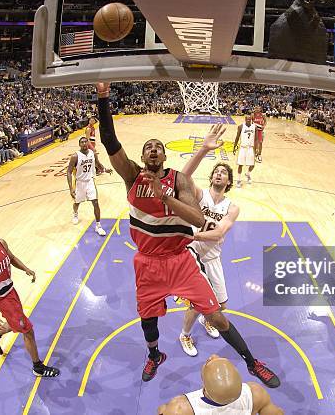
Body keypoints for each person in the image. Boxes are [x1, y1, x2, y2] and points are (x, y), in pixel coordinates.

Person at [96, 82, 279, 388]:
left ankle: (251, 361)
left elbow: (197, 217)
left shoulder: (178, 179)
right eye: (148, 147)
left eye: (158, 147)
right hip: (147, 262)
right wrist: (103, 99)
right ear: (142, 156)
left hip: (180, 261)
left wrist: (166, 198)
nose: (153, 149)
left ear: (164, 156)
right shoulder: (131, 176)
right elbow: (109, 140)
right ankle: (154, 355)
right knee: (148, 318)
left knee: (217, 316)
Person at [176, 133, 240, 357]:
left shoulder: (232, 207)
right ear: (211, 177)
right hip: (193, 257)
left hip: (212, 258)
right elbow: (183, 177)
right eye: (216, 171)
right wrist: (203, 149)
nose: (219, 174)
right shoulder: (199, 196)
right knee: (196, 303)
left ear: (229, 181)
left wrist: (196, 236)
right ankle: (184, 334)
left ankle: (207, 318)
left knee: (222, 305)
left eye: (223, 172)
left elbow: (220, 232)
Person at [0, 223, 60, 378]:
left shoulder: (1, 243)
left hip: (11, 291)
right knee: (28, 330)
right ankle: (37, 367)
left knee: (16, 323)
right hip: (2, 299)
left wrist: (25, 268)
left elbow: (11, 258)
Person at [157, 355, 284, 415]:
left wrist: (163, 410)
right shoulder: (256, 393)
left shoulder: (180, 408)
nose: (213, 356)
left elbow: (163, 411)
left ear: (205, 383)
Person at [66, 135, 111, 235]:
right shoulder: (75, 156)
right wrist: (70, 189)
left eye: (85, 142)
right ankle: (75, 214)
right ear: (79, 145)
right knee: (77, 203)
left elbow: (98, 164)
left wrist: (104, 169)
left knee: (95, 202)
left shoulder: (92, 153)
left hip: (90, 181)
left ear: (88, 143)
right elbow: (68, 172)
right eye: (82, 142)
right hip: (79, 182)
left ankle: (98, 226)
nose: (84, 143)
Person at [233, 116, 258, 189]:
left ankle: (248, 174)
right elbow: (237, 137)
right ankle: (238, 180)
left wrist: (256, 148)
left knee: (252, 164)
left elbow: (256, 139)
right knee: (240, 164)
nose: (248, 120)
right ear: (245, 119)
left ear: (251, 120)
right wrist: (234, 146)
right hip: (242, 148)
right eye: (247, 119)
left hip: (250, 147)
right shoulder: (241, 126)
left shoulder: (254, 127)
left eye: (249, 119)